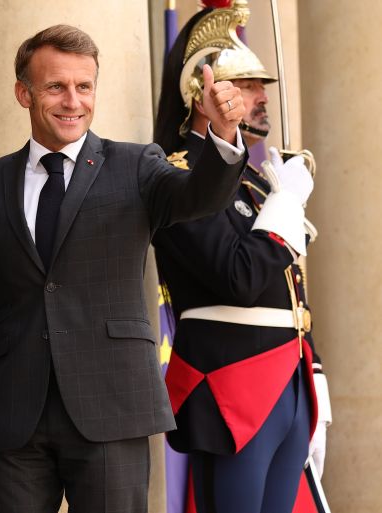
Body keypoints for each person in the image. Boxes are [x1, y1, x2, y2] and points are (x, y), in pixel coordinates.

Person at [0, 24, 247, 513]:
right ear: (24, 93)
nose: (72, 101)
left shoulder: (137, 164)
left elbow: (198, 197)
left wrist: (224, 138)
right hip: (15, 413)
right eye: (56, 86)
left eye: (84, 87)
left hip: (112, 405)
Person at [153, 2, 331, 512]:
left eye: (259, 85)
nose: (261, 96)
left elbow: (288, 288)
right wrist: (286, 204)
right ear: (201, 92)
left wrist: (312, 367)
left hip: (288, 380)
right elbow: (241, 276)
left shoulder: (256, 180)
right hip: (232, 382)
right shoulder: (177, 176)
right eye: (246, 84)